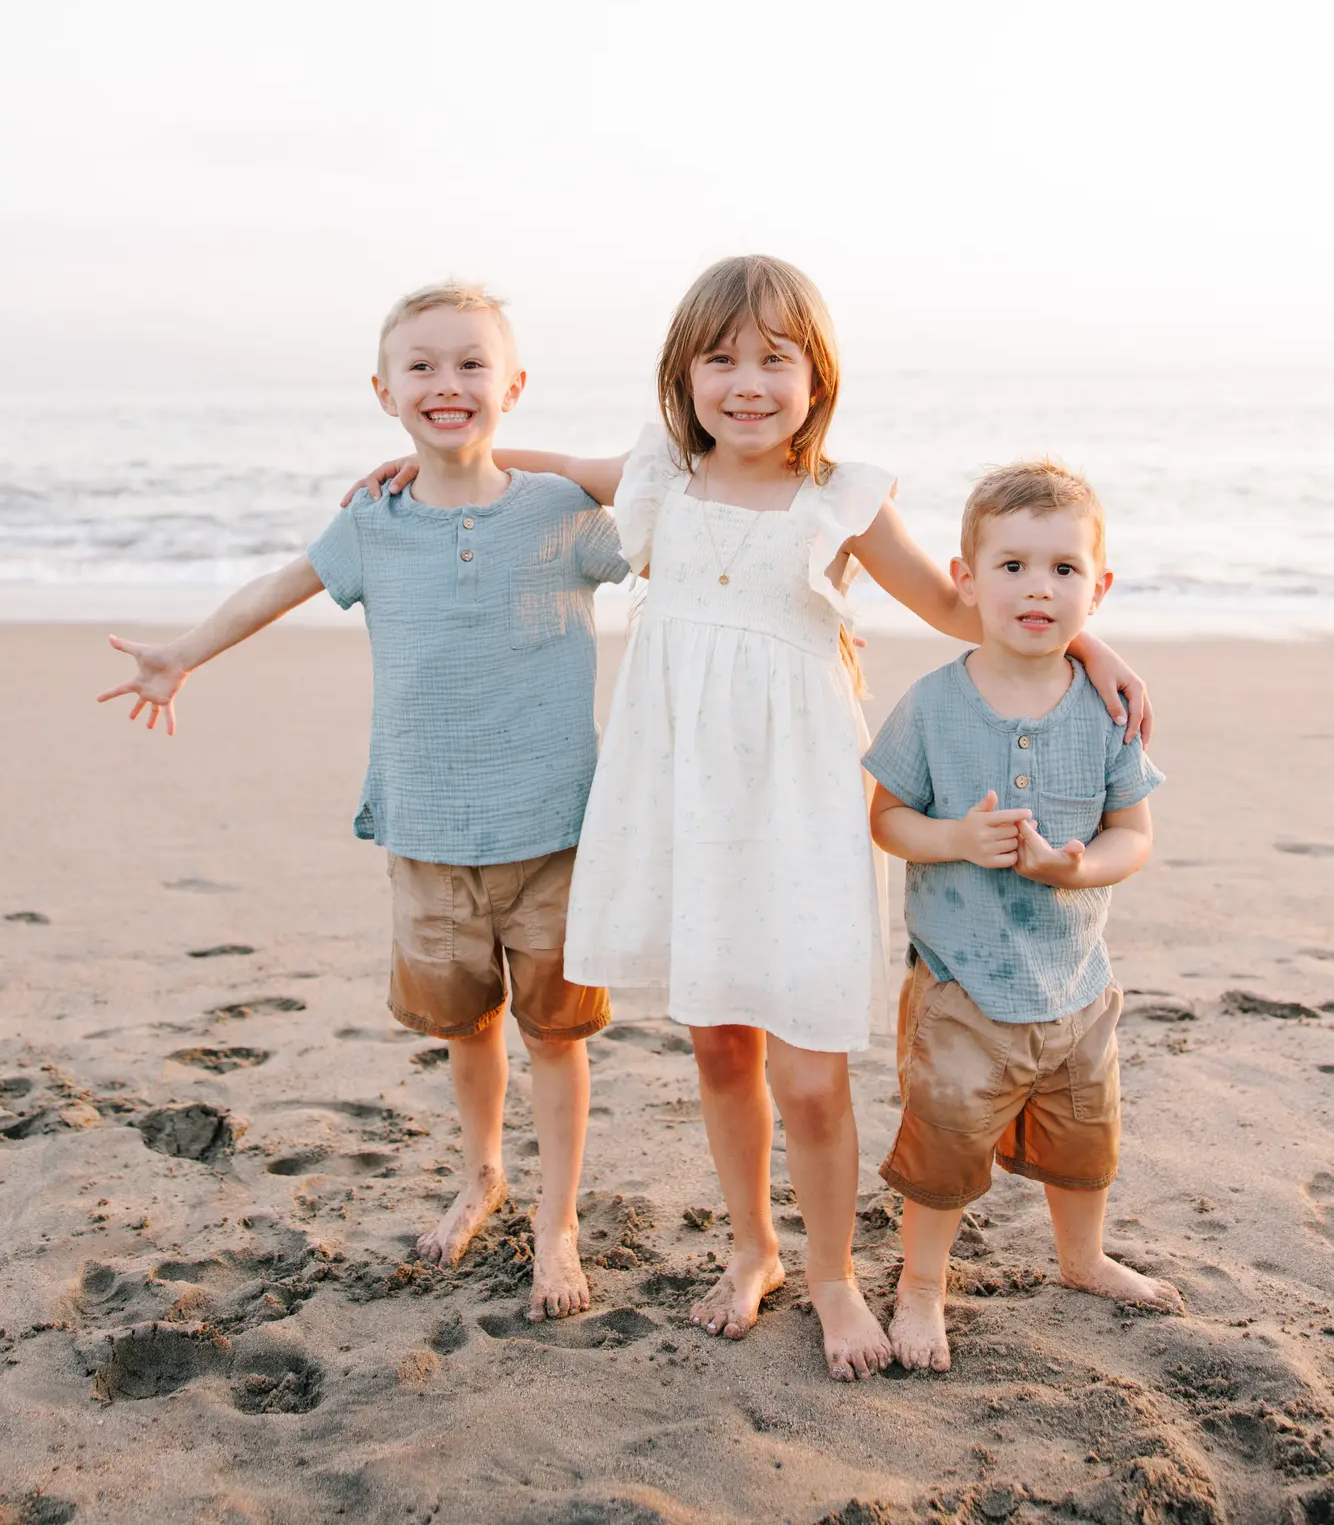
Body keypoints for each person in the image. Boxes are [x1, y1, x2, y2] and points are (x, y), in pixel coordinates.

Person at [350, 255, 1153, 1381]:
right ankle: (752, 1248)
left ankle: (832, 1273)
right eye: (718, 357)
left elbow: (959, 601)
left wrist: (1088, 637)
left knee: (813, 1070)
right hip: (680, 797)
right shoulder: (656, 478)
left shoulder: (841, 495)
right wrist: (432, 456)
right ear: (681, 374)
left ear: (813, 376)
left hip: (800, 798)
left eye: (773, 357)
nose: (745, 381)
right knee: (721, 1049)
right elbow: (536, 463)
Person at [97, 282, 628, 1322]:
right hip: (427, 832)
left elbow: (671, 507)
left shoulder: (563, 513)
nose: (447, 383)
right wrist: (182, 655)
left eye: (471, 363)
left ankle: (556, 1219)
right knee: (464, 1026)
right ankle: (482, 1173)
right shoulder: (373, 521)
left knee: (556, 1036)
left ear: (511, 384)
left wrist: (556, 460)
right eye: (421, 365)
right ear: (384, 390)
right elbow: (279, 586)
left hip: (557, 832)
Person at [863, 457, 1183, 1376]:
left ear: (1099, 587)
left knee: (1087, 1134)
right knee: (946, 1140)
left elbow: (1135, 835)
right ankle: (922, 1284)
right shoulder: (933, 704)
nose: (1038, 588)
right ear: (966, 581)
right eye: (1010, 567)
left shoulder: (1109, 708)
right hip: (962, 983)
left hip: (1077, 984)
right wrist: (957, 839)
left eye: (1063, 569)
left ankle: (1081, 1260)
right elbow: (885, 820)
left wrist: (1075, 867)